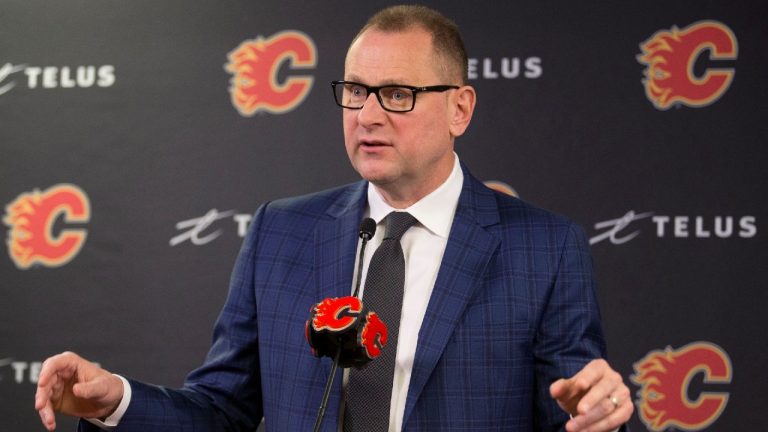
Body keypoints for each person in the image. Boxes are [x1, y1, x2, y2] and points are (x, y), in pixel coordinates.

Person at [35, 5, 633, 432]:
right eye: (355, 90)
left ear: (460, 108)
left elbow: (577, 411)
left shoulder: (544, 248)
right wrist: (116, 402)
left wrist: (600, 414)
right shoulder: (281, 231)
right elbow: (223, 410)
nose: (368, 115)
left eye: (397, 93)